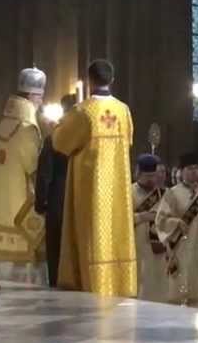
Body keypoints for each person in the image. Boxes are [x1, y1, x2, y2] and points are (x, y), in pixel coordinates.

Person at [52, 59, 137, 297]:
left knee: (92, 231)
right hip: (118, 186)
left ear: (89, 80)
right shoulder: (123, 110)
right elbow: (128, 141)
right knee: (115, 230)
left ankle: (92, 282)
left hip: (90, 187)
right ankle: (121, 284)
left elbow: (61, 143)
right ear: (112, 80)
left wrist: (56, 126)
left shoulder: (83, 111)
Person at [0, 67, 48, 284]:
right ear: (31, 96)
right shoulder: (27, 129)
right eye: (40, 97)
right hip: (20, 205)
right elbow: (34, 169)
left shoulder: (3, 123)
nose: (41, 102)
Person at [155, 152, 198, 308]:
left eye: (196, 169)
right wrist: (176, 222)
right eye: (189, 169)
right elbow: (161, 220)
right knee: (181, 280)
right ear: (182, 171)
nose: (194, 172)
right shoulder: (172, 193)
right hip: (181, 245)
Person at [34, 93, 77, 287]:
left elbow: (45, 174)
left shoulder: (53, 138)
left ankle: (55, 285)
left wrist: (40, 203)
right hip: (78, 202)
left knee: (55, 251)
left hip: (57, 202)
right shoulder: (84, 137)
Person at [131, 154, 169, 302]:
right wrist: (141, 217)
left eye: (153, 176)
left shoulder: (164, 194)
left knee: (160, 285)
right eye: (147, 176)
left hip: (160, 249)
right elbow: (120, 220)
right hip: (137, 247)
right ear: (137, 174)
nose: (151, 180)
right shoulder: (129, 192)